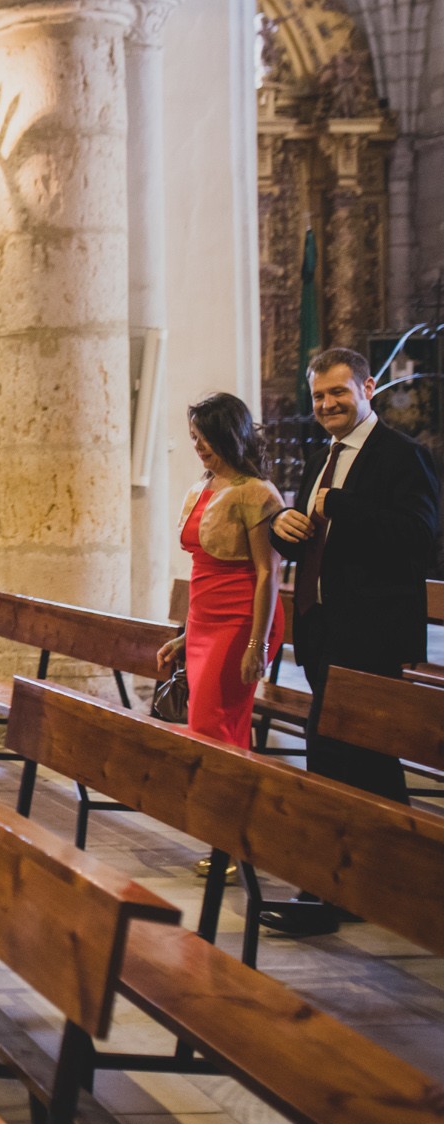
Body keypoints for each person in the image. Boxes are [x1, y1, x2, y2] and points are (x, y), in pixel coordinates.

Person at [265, 347, 439, 935]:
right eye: (318, 397)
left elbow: (419, 537)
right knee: (372, 761)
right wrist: (285, 531)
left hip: (370, 634)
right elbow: (317, 540)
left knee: (333, 756)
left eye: (338, 392)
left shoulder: (401, 456)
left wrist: (338, 503)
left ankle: (326, 891)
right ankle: (406, 882)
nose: (327, 405)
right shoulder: (325, 456)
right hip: (322, 627)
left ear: (367, 387)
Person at [156, 393, 285, 751]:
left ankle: (228, 803)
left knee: (214, 727)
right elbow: (203, 576)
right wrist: (187, 635)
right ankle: (215, 803)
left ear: (231, 433)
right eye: (194, 437)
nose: (198, 445)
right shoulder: (202, 488)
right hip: (204, 624)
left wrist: (256, 645)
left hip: (242, 621)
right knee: (204, 724)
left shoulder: (257, 493)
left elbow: (268, 573)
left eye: (206, 436)